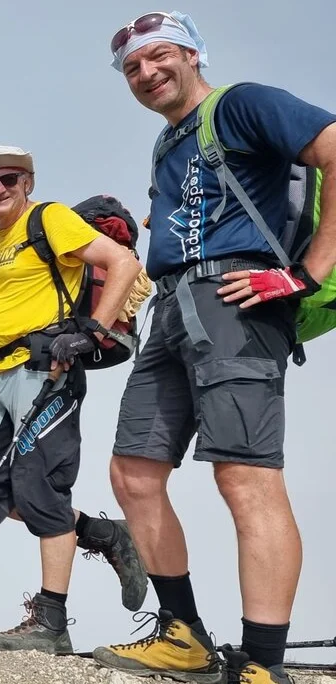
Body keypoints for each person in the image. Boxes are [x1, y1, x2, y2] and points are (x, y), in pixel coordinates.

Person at [93, 11, 336, 684]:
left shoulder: (244, 104)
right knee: (134, 474)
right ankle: (184, 638)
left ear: (195, 55)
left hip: (237, 303)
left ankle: (262, 665)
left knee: (245, 476)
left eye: (160, 56)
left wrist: (308, 272)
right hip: (173, 306)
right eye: (133, 67)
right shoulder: (169, 144)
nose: (147, 73)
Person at [0, 145, 148, 655]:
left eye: (8, 179)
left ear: (27, 182)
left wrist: (91, 332)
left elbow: (123, 263)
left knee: (39, 487)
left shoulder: (50, 219)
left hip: (44, 371)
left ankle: (51, 622)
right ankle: (106, 535)